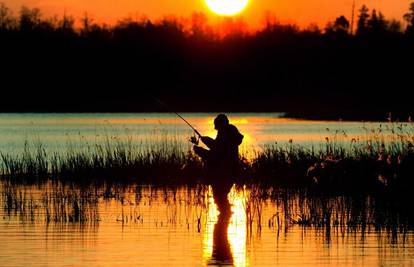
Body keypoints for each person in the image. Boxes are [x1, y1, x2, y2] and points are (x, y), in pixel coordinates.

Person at [193, 114, 243, 216]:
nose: (215, 127)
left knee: (219, 197)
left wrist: (200, 151)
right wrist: (206, 141)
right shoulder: (229, 132)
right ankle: (224, 220)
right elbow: (218, 147)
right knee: (221, 197)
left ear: (220, 124)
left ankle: (224, 219)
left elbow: (216, 153)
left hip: (223, 172)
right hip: (231, 171)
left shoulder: (225, 133)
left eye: (216, 125)